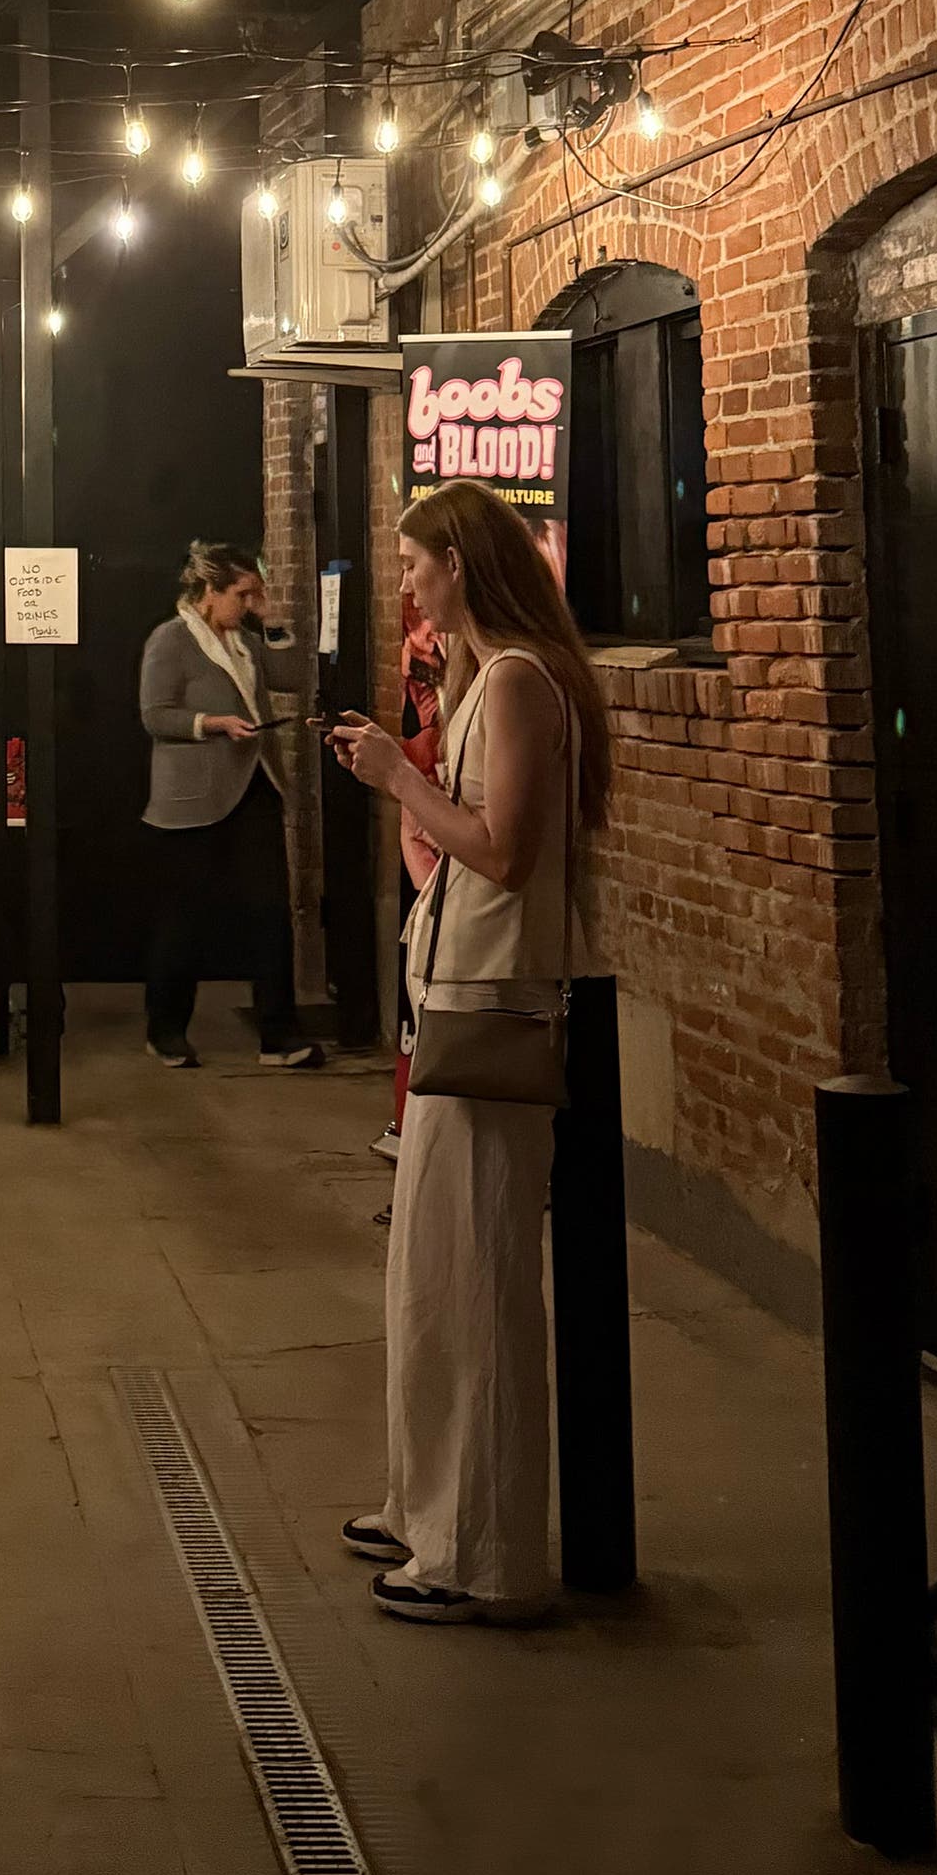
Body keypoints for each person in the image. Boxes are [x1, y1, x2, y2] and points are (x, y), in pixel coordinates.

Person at [328, 478, 612, 1624]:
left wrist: (402, 779)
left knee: (481, 1277)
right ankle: (425, 1505)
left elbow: (502, 851)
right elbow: (464, 856)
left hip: (499, 1007)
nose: (405, 585)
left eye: (416, 564)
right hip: (457, 993)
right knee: (432, 1269)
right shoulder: (485, 682)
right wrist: (412, 807)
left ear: (464, 564)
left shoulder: (521, 685)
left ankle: (483, 1552)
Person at [136, 541, 325, 1073]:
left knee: (272, 915)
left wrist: (272, 619)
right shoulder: (169, 641)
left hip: (255, 787)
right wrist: (212, 724)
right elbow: (155, 715)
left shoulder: (245, 641)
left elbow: (292, 677)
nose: (249, 603)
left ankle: (279, 1038)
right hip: (191, 801)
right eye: (243, 594)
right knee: (184, 919)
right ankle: (165, 1030)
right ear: (208, 591)